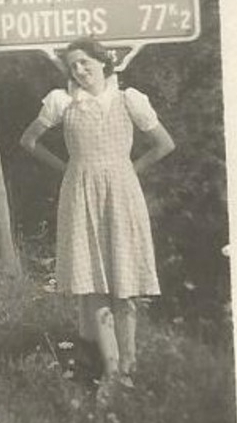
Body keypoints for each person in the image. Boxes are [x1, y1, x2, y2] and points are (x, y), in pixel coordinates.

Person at [19, 37, 175, 393]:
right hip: (80, 194)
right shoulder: (62, 102)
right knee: (94, 285)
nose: (79, 70)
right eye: (73, 65)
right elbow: (28, 141)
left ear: (104, 62)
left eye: (85, 63)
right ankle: (111, 370)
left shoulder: (128, 99)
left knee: (125, 283)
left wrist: (130, 169)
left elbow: (165, 144)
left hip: (122, 193)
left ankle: (130, 366)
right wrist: (68, 168)